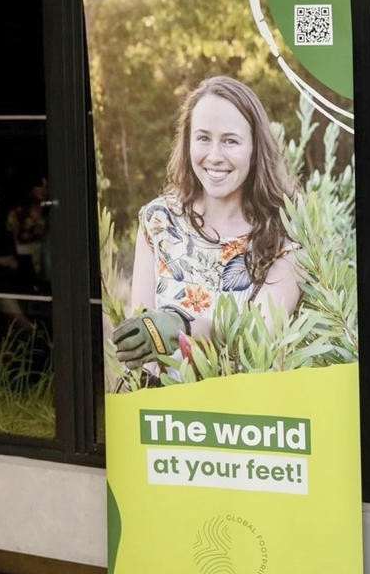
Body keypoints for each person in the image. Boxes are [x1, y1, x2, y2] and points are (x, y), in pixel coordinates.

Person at [111, 75, 300, 372]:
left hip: (249, 414)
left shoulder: (285, 231)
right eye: (203, 138)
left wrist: (182, 326)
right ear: (187, 142)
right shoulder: (158, 221)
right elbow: (143, 347)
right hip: (166, 413)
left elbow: (257, 335)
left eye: (230, 141)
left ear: (255, 149)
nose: (214, 156)